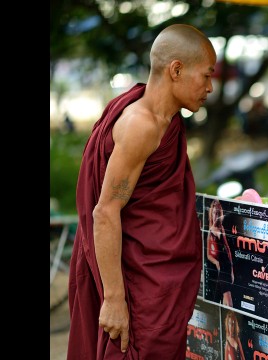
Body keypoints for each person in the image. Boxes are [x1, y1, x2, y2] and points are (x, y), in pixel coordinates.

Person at [67, 24, 217, 358]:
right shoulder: (141, 125)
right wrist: (114, 299)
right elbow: (105, 211)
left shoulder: (166, 119)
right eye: (206, 76)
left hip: (156, 276)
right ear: (176, 69)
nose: (210, 87)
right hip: (135, 283)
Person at [205, 198, 234, 307]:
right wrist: (216, 263)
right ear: (211, 214)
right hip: (220, 267)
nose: (216, 215)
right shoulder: (210, 231)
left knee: (227, 298)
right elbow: (208, 255)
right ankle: (228, 318)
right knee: (227, 298)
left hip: (226, 265)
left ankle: (225, 320)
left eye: (218, 213)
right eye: (214, 213)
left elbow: (227, 249)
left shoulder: (221, 228)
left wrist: (231, 270)